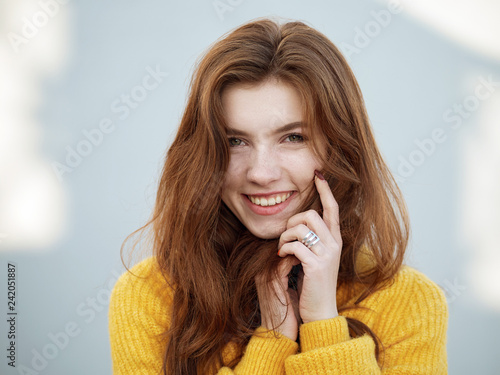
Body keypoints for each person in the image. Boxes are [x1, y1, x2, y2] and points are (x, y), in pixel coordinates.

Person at [108, 17, 448, 374]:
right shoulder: (150, 296)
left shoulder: (409, 302)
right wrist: (271, 343)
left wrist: (322, 323)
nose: (260, 172)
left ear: (340, 148)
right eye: (234, 141)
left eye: (293, 138)